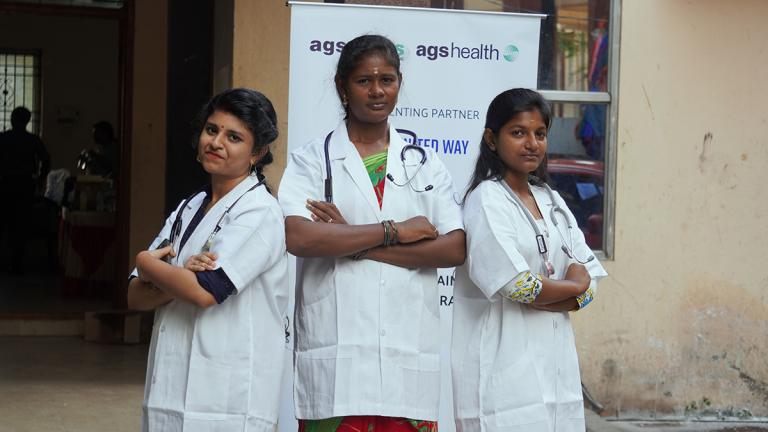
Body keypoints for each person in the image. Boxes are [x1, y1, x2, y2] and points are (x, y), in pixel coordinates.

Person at [278, 35, 466, 432]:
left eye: (388, 79)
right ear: (342, 86)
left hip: (406, 357)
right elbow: (300, 238)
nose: (378, 91)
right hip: (335, 361)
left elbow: (454, 247)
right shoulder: (313, 160)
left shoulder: (425, 162)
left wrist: (351, 240)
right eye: (364, 80)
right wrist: (395, 230)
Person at [127, 88, 289, 431]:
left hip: (228, 395)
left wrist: (147, 263)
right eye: (211, 130)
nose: (216, 142)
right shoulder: (189, 207)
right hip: (170, 386)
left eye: (233, 137)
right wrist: (181, 276)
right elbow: (135, 296)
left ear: (257, 153)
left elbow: (206, 292)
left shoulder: (258, 212)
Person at [451, 88, 608, 432]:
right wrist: (570, 287)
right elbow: (517, 285)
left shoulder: (550, 198)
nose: (532, 143)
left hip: (555, 366)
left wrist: (567, 290)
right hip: (504, 371)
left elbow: (589, 283)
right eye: (518, 133)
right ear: (492, 139)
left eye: (540, 134)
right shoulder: (486, 200)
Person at [0, 106, 50, 274]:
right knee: (20, 225)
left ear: (12, 119)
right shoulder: (33, 140)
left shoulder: (3, 138)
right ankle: (17, 264)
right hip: (25, 185)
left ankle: (4, 261)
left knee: (4, 224)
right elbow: (46, 159)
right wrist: (41, 178)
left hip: (4, 184)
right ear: (27, 121)